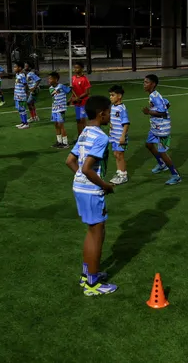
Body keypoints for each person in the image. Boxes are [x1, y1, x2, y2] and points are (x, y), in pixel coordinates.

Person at [65, 95, 117, 296]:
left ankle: (88, 274)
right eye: (109, 113)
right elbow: (87, 168)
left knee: (92, 231)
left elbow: (70, 161)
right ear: (102, 113)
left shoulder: (85, 132)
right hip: (91, 190)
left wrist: (81, 177)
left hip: (79, 187)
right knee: (98, 234)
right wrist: (105, 185)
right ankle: (92, 284)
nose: (110, 116)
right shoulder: (102, 137)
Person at [141, 74, 181, 185]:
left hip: (163, 129)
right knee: (148, 144)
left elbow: (163, 112)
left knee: (162, 152)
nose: (144, 84)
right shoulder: (154, 95)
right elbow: (167, 103)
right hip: (155, 128)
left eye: (146, 82)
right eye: (144, 82)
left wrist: (149, 112)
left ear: (153, 84)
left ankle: (176, 175)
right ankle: (162, 164)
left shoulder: (155, 96)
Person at [108, 85, 130, 185]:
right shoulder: (113, 107)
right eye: (110, 95)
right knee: (116, 154)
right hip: (114, 135)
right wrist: (111, 125)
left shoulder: (122, 108)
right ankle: (119, 172)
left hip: (120, 136)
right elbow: (113, 119)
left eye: (113, 95)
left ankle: (123, 175)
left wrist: (123, 136)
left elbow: (126, 124)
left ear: (119, 96)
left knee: (120, 155)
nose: (111, 97)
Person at [48, 71, 72, 148]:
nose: (49, 80)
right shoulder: (51, 88)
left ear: (56, 79)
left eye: (50, 79)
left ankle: (65, 143)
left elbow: (68, 90)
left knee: (61, 125)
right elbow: (52, 94)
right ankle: (59, 141)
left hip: (61, 109)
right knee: (56, 125)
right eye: (49, 79)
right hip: (54, 109)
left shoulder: (61, 86)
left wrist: (70, 87)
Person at [69, 62, 91, 139]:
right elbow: (73, 91)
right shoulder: (73, 78)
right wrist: (70, 99)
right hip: (77, 104)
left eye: (77, 68)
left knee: (83, 120)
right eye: (74, 68)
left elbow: (87, 92)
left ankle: (86, 137)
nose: (75, 69)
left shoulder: (85, 79)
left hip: (83, 103)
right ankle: (80, 136)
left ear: (82, 69)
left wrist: (78, 97)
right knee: (78, 120)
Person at [13, 62, 30, 129]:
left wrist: (26, 93)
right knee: (20, 109)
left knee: (22, 109)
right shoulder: (17, 74)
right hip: (17, 95)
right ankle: (23, 122)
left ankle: (26, 123)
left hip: (21, 95)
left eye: (15, 67)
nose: (14, 68)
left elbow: (25, 84)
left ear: (20, 68)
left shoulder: (22, 75)